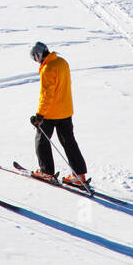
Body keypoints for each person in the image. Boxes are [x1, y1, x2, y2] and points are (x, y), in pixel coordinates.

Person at [28, 41, 89, 188]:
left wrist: (39, 115)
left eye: (35, 59)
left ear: (38, 56)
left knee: (41, 141)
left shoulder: (47, 69)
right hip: (66, 111)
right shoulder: (62, 62)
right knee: (69, 142)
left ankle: (46, 172)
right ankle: (78, 174)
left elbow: (46, 95)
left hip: (50, 113)